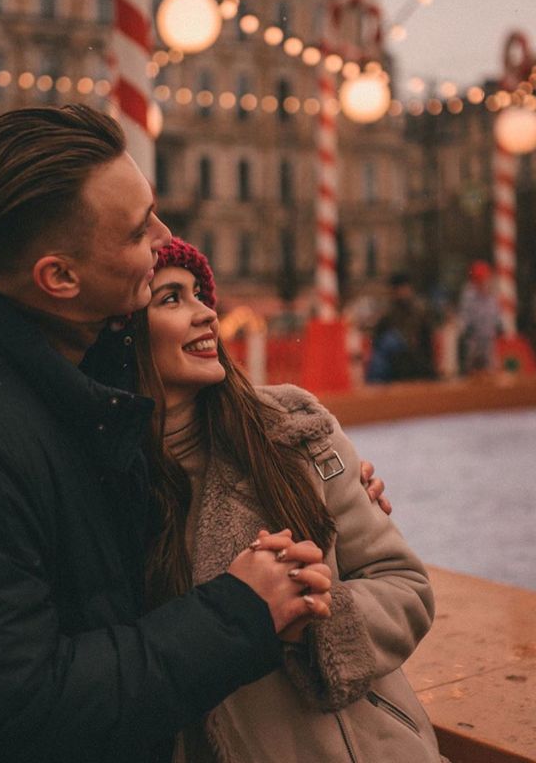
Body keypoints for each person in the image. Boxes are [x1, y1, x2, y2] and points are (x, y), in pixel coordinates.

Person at [0, 105, 335, 763]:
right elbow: (16, 714)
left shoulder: (78, 367)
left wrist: (321, 479)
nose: (164, 235)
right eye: (140, 230)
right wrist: (237, 613)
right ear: (60, 277)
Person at [134, 238, 446, 762]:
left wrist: (316, 618)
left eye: (199, 295)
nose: (206, 313)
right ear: (122, 332)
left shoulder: (289, 430)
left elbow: (406, 587)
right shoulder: (98, 478)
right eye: (170, 298)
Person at [366, 272, 435, 383]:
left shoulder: (420, 313)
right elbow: (377, 343)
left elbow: (427, 344)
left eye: (404, 288)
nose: (402, 292)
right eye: (398, 289)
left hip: (415, 360)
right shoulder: (387, 316)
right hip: (394, 363)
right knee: (389, 342)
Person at [458, 260, 501, 374]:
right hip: (473, 338)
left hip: (489, 338)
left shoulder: (492, 295)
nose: (483, 282)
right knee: (470, 366)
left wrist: (498, 324)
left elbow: (495, 313)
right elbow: (464, 315)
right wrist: (466, 327)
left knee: (490, 367)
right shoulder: (468, 295)